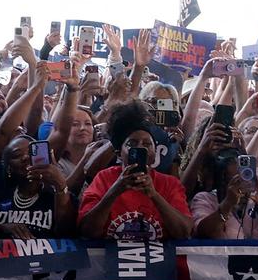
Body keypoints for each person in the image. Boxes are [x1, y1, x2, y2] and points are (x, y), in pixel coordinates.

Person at [77, 101, 192, 240]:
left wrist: (154, 195)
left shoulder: (169, 184)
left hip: (157, 261)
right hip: (111, 261)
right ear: (119, 153)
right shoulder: (104, 179)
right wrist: (115, 190)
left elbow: (184, 233)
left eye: (147, 144)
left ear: (155, 151)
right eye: (132, 143)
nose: (141, 147)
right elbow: (87, 231)